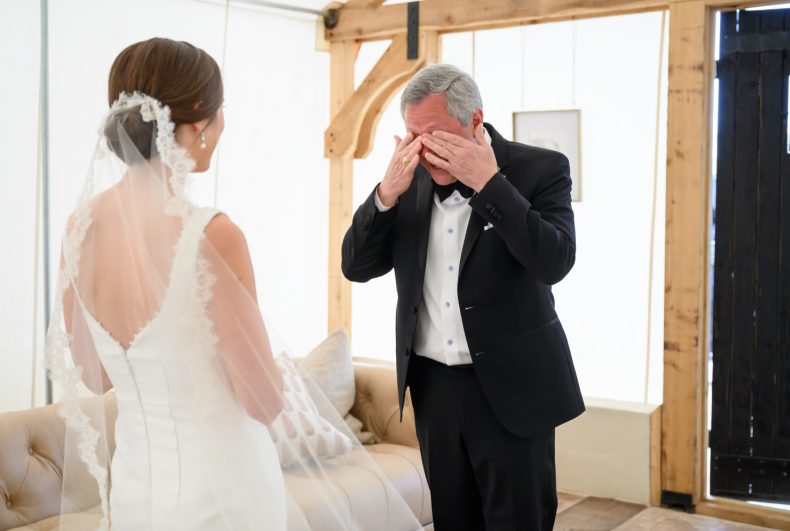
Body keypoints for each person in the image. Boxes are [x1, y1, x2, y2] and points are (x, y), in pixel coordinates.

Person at [46, 38, 422, 531]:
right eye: (221, 110)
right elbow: (262, 400)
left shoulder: (80, 229)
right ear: (200, 124)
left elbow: (96, 378)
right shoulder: (212, 235)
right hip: (223, 491)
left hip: (137, 490)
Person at [342, 64, 584, 531]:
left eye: (432, 134)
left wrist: (490, 186)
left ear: (475, 121)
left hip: (513, 390)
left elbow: (555, 260)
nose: (422, 149)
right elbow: (356, 266)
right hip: (435, 390)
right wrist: (384, 196)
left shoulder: (541, 169)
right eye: (411, 135)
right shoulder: (407, 177)